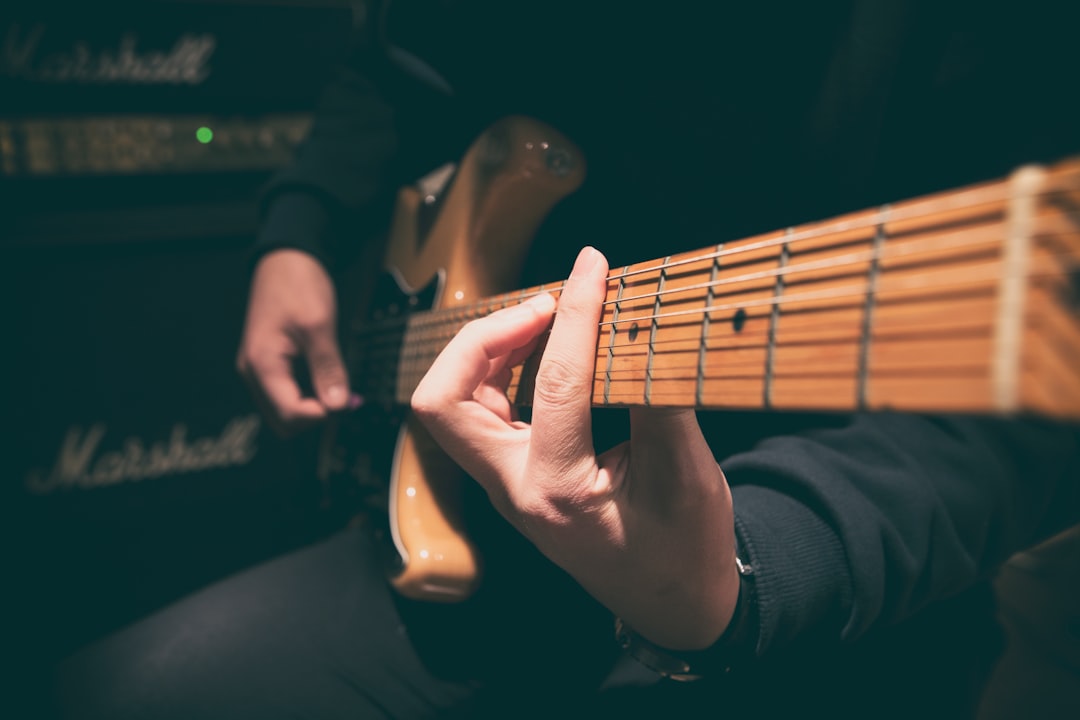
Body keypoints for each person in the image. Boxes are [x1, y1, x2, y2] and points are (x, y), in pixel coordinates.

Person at [52, 1, 1079, 718]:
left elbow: (1021, 421)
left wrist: (739, 575)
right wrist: (301, 227)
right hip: (472, 561)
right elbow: (397, 52)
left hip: (822, 609)